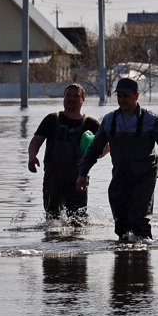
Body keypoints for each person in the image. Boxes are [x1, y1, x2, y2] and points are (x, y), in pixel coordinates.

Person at [75, 78, 158, 242]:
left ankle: (143, 255)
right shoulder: (109, 120)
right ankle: (123, 258)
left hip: (144, 177)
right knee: (121, 222)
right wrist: (82, 174)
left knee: (139, 218)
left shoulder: (151, 120)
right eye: (119, 96)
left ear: (136, 95)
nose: (122, 100)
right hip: (120, 176)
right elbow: (93, 150)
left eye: (126, 96)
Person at [27, 83, 102, 222]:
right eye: (68, 95)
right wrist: (32, 157)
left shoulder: (90, 123)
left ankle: (75, 244)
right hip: (53, 179)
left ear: (83, 99)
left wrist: (90, 157)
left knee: (78, 223)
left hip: (79, 178)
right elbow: (36, 141)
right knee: (52, 222)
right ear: (64, 98)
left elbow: (106, 146)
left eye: (76, 96)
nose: (71, 98)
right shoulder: (52, 119)